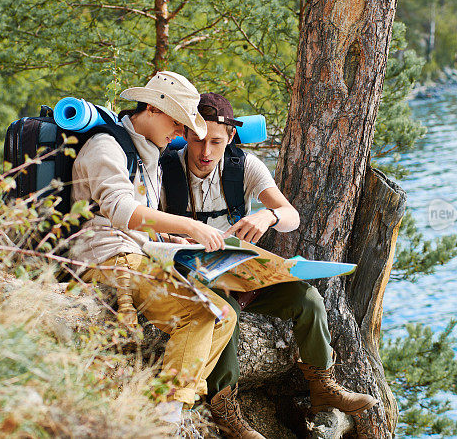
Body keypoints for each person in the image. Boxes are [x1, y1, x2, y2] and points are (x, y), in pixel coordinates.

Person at [159, 93, 378, 438]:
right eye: (198, 139)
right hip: (192, 274)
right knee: (222, 312)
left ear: (230, 137)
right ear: (186, 132)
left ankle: (322, 388)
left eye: (216, 141)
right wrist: (173, 239)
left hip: (243, 272)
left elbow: (292, 216)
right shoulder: (164, 166)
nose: (206, 152)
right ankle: (225, 408)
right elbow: (142, 222)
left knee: (308, 300)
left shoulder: (242, 166)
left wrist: (268, 215)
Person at [68, 72, 237, 423]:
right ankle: (166, 414)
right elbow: (122, 211)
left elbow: (143, 220)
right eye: (177, 122)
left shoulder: (148, 154)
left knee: (226, 316)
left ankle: (163, 402)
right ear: (152, 108)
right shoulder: (107, 147)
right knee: (201, 312)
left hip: (133, 254)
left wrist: (173, 240)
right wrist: (190, 224)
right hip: (105, 257)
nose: (179, 133)